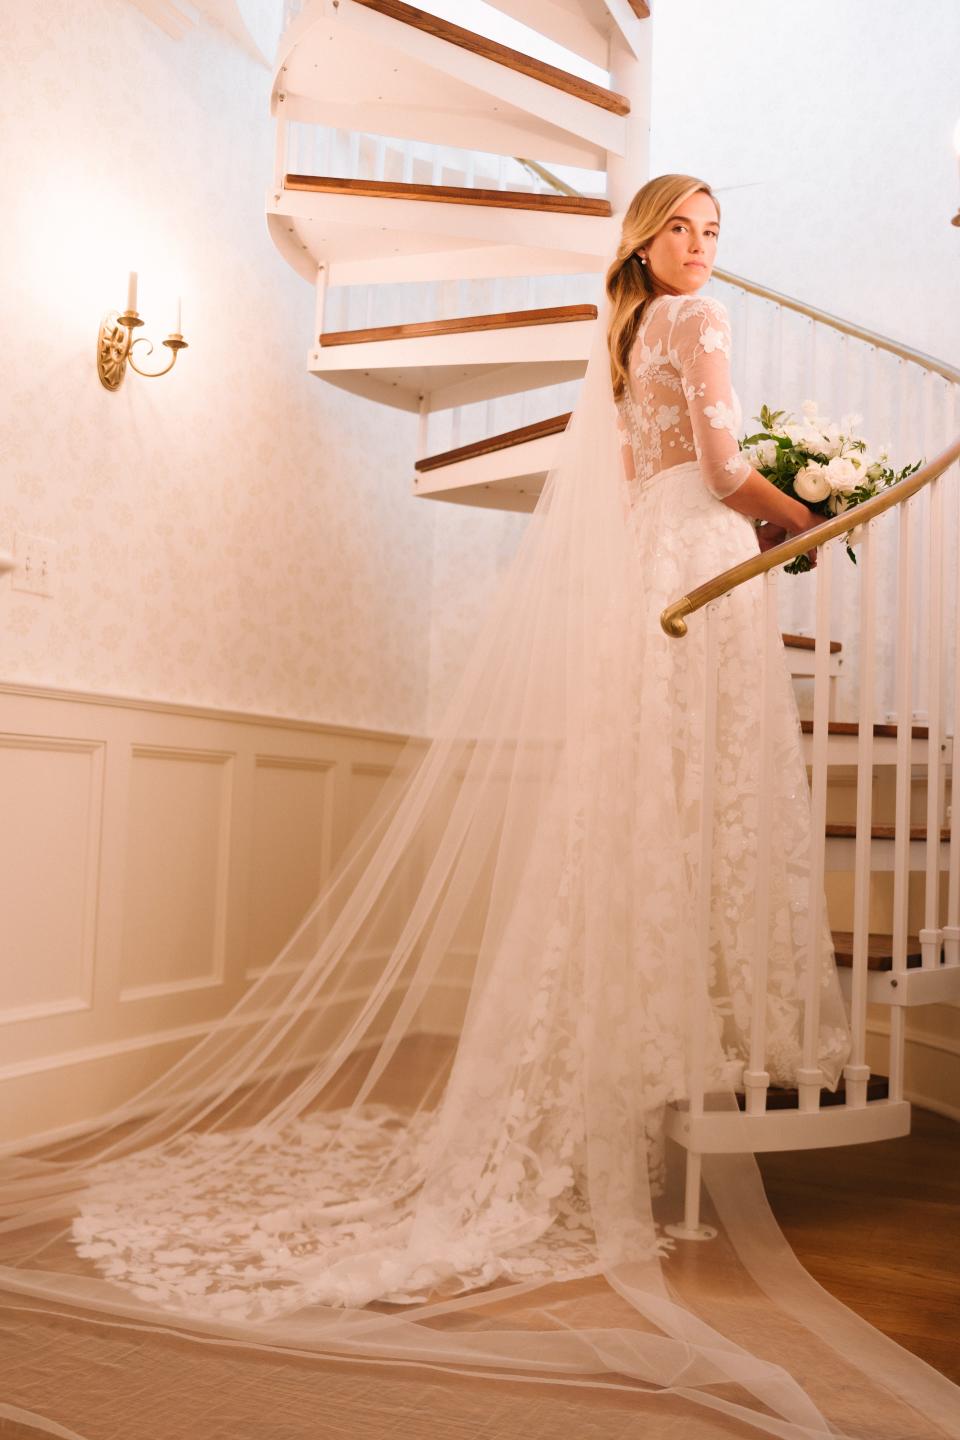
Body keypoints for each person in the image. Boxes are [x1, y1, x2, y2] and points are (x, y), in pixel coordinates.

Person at [2, 176, 959, 1440]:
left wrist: (752, 526)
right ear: (643, 236)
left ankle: (627, 1073)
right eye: (681, 226)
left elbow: (639, 487)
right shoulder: (702, 322)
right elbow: (726, 467)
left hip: (654, 582)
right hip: (703, 573)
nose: (700, 249)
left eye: (715, 234)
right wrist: (812, 521)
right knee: (692, 805)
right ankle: (672, 1059)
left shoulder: (618, 342)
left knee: (643, 816)